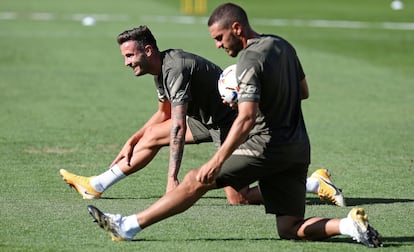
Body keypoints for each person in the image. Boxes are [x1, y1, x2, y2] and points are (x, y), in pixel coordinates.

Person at [86, 3, 383, 247]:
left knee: (195, 180)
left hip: (265, 146)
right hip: (297, 148)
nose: (217, 45)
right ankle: (348, 225)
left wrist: (216, 160)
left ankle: (128, 225)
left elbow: (247, 119)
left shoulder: (248, 60)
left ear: (236, 29)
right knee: (290, 227)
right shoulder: (282, 45)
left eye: (219, 38)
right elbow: (303, 92)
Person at [59, 26, 345, 207]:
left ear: (148, 50)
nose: (126, 62)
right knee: (149, 136)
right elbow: (164, 113)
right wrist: (131, 139)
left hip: (228, 122)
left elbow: (178, 127)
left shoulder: (176, 68)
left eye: (130, 56)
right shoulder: (160, 68)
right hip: (207, 120)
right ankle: (96, 186)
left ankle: (312, 183)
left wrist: (172, 179)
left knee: (238, 198)